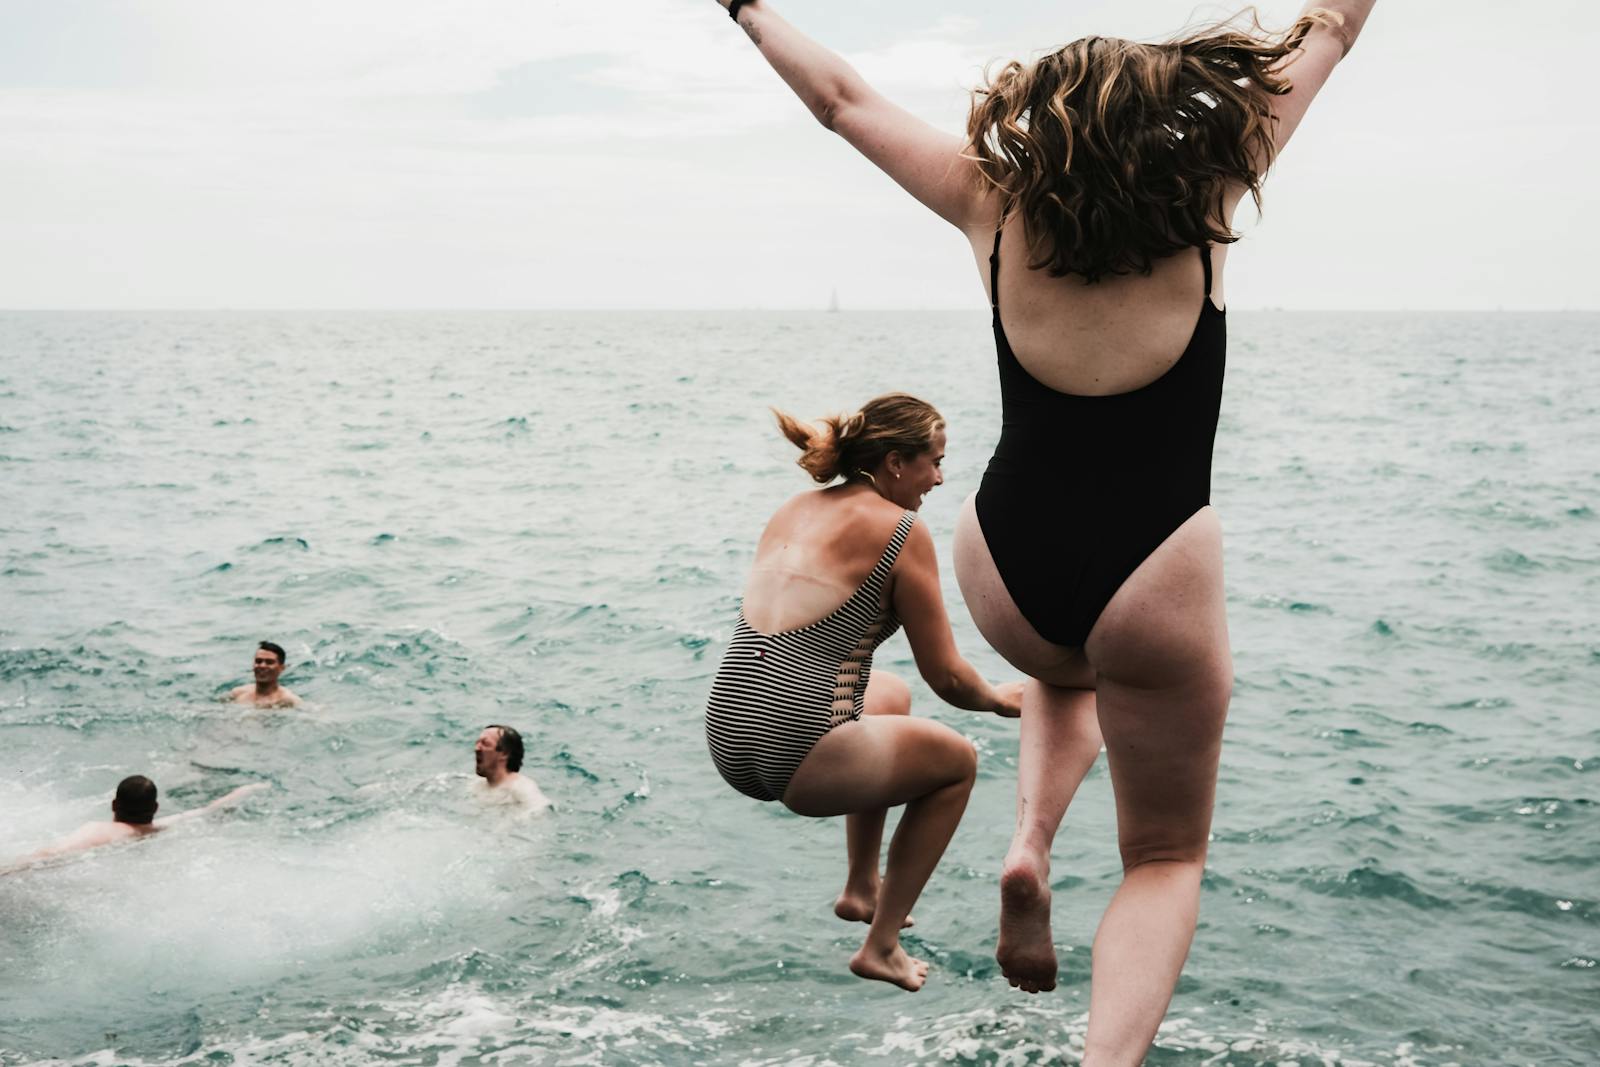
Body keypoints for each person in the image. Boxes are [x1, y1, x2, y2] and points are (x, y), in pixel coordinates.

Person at [714, 0, 1374, 1056]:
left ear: (1044, 120)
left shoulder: (991, 202)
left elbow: (840, 100)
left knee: (1065, 678)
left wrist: (747, 9)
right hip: (1156, 564)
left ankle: (1028, 840)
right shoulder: (1213, 185)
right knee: (1162, 854)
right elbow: (1331, 27)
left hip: (1004, 556)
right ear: (1162, 112)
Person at [705, 393, 1023, 991]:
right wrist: (1002, 699)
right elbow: (949, 678)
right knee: (957, 762)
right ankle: (881, 947)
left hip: (728, 734)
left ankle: (860, 887)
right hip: (800, 753)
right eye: (934, 460)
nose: (939, 476)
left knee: (890, 693)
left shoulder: (795, 507)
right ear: (896, 462)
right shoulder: (902, 530)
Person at [7, 776, 268, 869]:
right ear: (155, 808)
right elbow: (206, 811)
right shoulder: (159, 829)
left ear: (113, 805)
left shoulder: (98, 831)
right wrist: (250, 788)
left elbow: (46, 855)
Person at [472, 724, 551, 811]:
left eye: (485, 744)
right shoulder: (476, 785)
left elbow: (541, 810)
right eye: (477, 743)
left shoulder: (521, 787)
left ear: (504, 753)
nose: (477, 748)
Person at [228, 640, 301, 707]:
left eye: (269, 662)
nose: (262, 666)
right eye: (258, 661)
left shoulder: (289, 701)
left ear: (281, 668)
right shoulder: (237, 694)